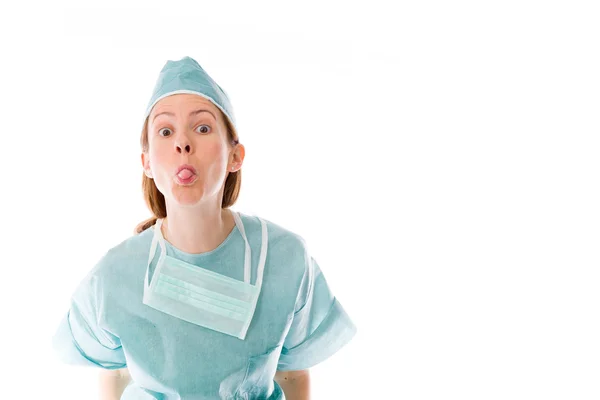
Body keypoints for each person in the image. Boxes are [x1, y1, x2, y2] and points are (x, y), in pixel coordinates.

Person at [52, 56, 357, 400]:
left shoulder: (285, 260)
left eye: (202, 128)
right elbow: (115, 373)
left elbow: (292, 376)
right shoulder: (114, 276)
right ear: (147, 162)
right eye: (165, 132)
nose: (183, 144)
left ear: (235, 156)